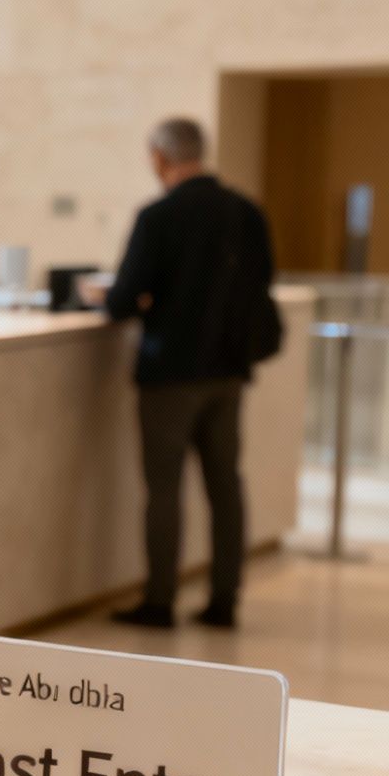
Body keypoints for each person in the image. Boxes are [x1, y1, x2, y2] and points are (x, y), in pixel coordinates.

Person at [97, 117, 279, 630]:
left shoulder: (159, 216)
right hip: (229, 370)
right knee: (226, 484)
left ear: (159, 157)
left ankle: (160, 600)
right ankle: (225, 599)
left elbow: (121, 300)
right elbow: (263, 280)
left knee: (165, 487)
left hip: (170, 372)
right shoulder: (247, 213)